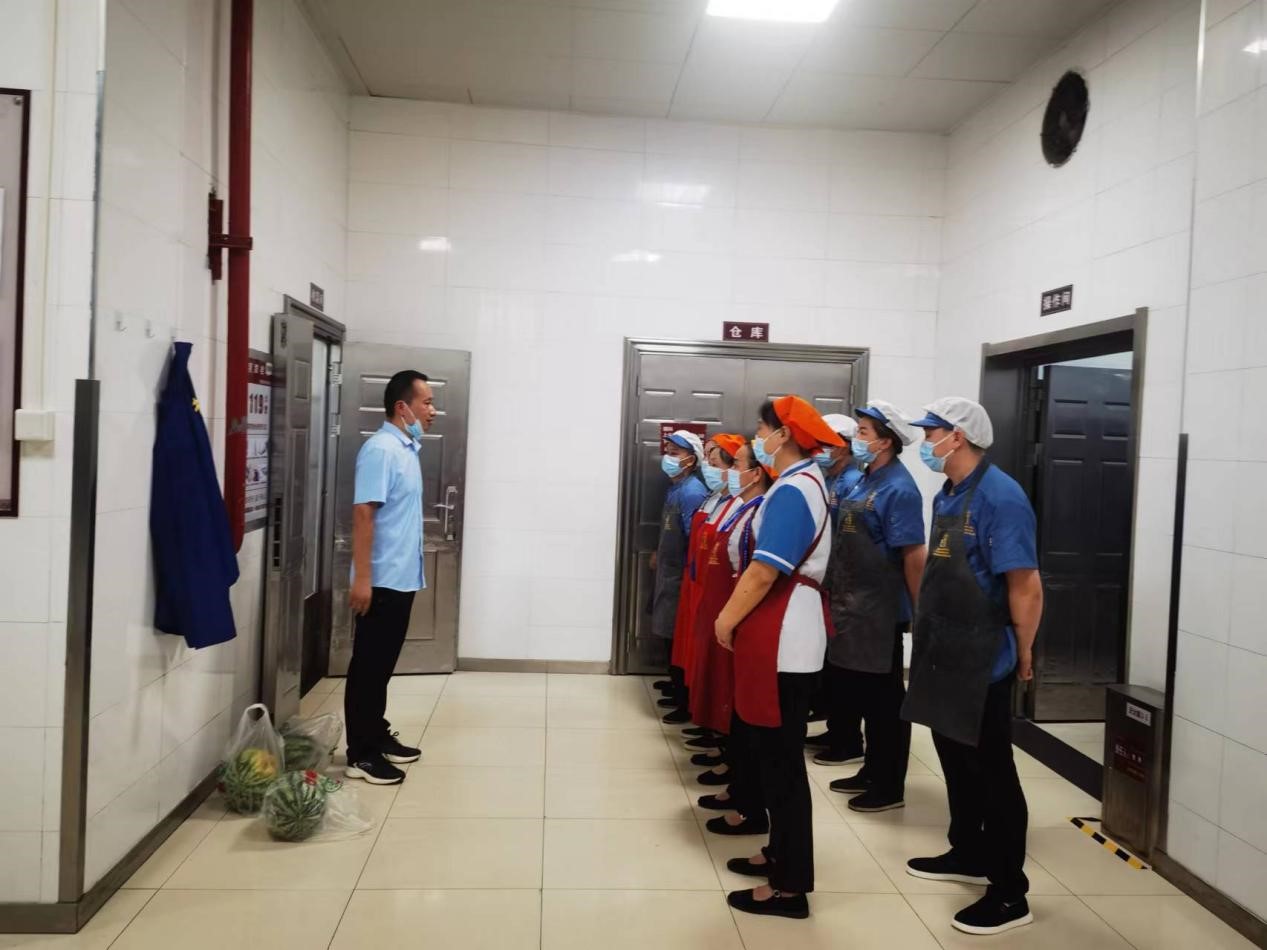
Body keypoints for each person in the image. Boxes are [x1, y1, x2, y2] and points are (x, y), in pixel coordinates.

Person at [903, 397, 1043, 937]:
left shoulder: (1002, 497)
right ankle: (968, 851)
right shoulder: (949, 492)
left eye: (930, 433)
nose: (925, 443)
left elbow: (1025, 584)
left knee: (992, 771)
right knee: (955, 758)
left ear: (956, 436)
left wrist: (1023, 650)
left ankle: (1009, 891)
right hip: (945, 649)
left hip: (984, 655)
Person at [713, 396, 843, 920]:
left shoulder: (794, 489)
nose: (757, 438)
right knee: (774, 760)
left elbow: (766, 569)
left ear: (783, 433)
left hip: (786, 638)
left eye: (762, 429)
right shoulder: (802, 483)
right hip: (786, 633)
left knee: (782, 765)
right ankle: (778, 855)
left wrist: (726, 619)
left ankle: (789, 888)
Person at [822, 400, 925, 811]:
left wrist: (919, 614)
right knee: (862, 695)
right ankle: (870, 769)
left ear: (885, 442)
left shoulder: (899, 488)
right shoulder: (865, 479)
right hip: (853, 606)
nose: (856, 437)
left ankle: (888, 784)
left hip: (880, 613)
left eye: (863, 432)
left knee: (885, 703)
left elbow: (912, 556)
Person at [345, 370, 437, 785]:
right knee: (368, 666)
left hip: (401, 578)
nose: (432, 411)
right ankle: (360, 754)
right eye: (426, 403)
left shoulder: (406, 449)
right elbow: (364, 513)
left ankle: (376, 734)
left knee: (382, 665)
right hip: (380, 581)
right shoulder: (381, 450)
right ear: (403, 407)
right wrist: (362, 580)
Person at [693, 441, 771, 812]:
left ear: (757, 473)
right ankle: (736, 780)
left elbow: (758, 572)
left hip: (741, 612)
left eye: (736, 464)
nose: (728, 472)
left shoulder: (761, 511)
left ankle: (744, 792)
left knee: (742, 706)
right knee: (731, 701)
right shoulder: (741, 506)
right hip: (726, 607)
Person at [663, 436, 742, 727]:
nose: (708, 466)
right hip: (697, 580)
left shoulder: (737, 504)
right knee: (693, 648)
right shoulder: (713, 499)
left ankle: (710, 719)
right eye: (707, 459)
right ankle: (695, 706)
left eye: (714, 461)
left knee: (712, 658)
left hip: (715, 588)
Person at [804, 412, 865, 753]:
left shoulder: (852, 483)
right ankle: (835, 727)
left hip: (847, 589)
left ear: (843, 447)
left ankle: (847, 736)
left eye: (825, 444)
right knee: (833, 664)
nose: (820, 450)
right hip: (830, 586)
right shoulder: (831, 480)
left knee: (845, 669)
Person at [651, 430, 710, 718]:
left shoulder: (692, 492)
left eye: (676, 453)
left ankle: (684, 696)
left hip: (681, 576)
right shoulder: (676, 488)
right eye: (669, 451)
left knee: (679, 636)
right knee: (668, 631)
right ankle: (675, 682)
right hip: (669, 572)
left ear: (691, 460)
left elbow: (694, 539)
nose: (669, 457)